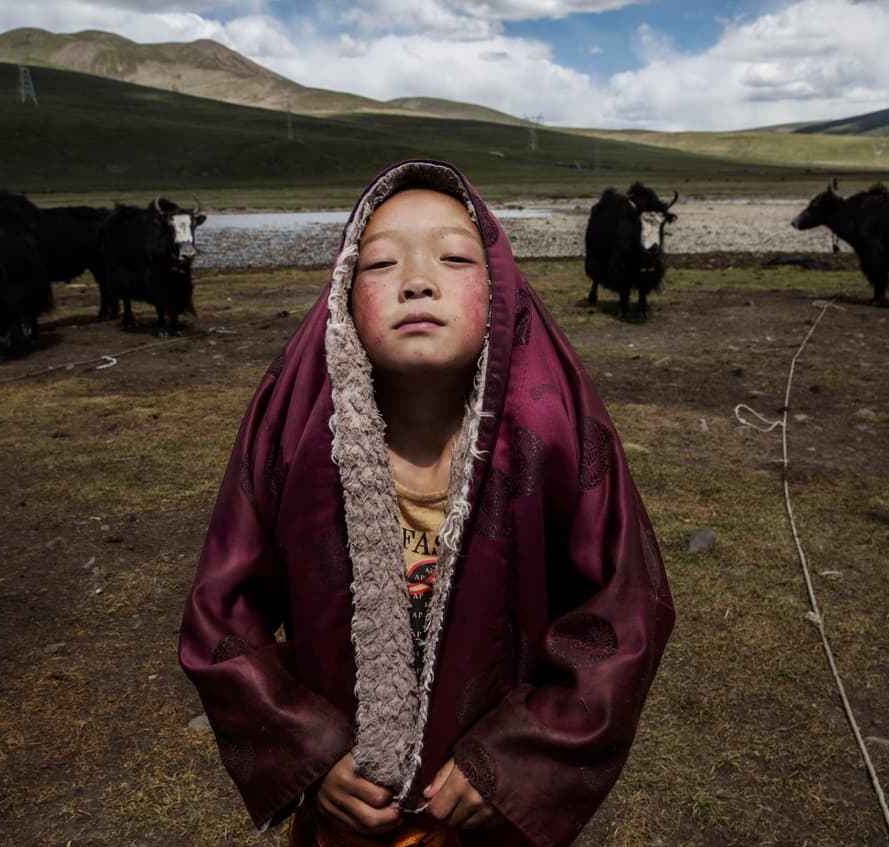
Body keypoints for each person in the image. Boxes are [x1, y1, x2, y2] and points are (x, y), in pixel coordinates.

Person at [179, 159, 674, 847]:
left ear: (502, 288)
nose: (417, 278)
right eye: (380, 264)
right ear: (344, 291)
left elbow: (625, 606)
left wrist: (518, 760)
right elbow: (221, 611)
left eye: (453, 255)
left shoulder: (555, 435)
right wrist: (311, 755)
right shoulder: (292, 436)